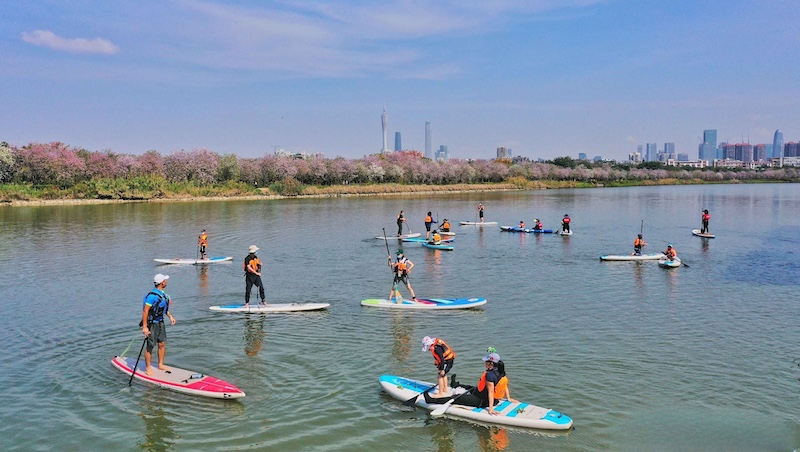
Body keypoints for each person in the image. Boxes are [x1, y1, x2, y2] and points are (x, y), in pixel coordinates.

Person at [426, 352, 503, 414]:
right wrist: (509, 398)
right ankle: (455, 385)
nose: (485, 363)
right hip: (492, 399)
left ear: (491, 363)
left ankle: (431, 400)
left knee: (457, 397)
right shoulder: (500, 371)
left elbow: (491, 391)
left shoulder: (490, 375)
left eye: (486, 361)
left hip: (481, 401)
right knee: (470, 388)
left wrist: (490, 409)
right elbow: (503, 386)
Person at [141, 273, 176, 376]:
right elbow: (145, 311)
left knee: (162, 344)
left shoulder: (163, 294)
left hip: (160, 322)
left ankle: (160, 364)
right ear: (162, 282)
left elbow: (163, 309)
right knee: (150, 346)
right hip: (152, 324)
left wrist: (170, 316)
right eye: (165, 280)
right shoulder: (151, 296)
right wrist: (145, 327)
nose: (167, 281)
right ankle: (148, 368)